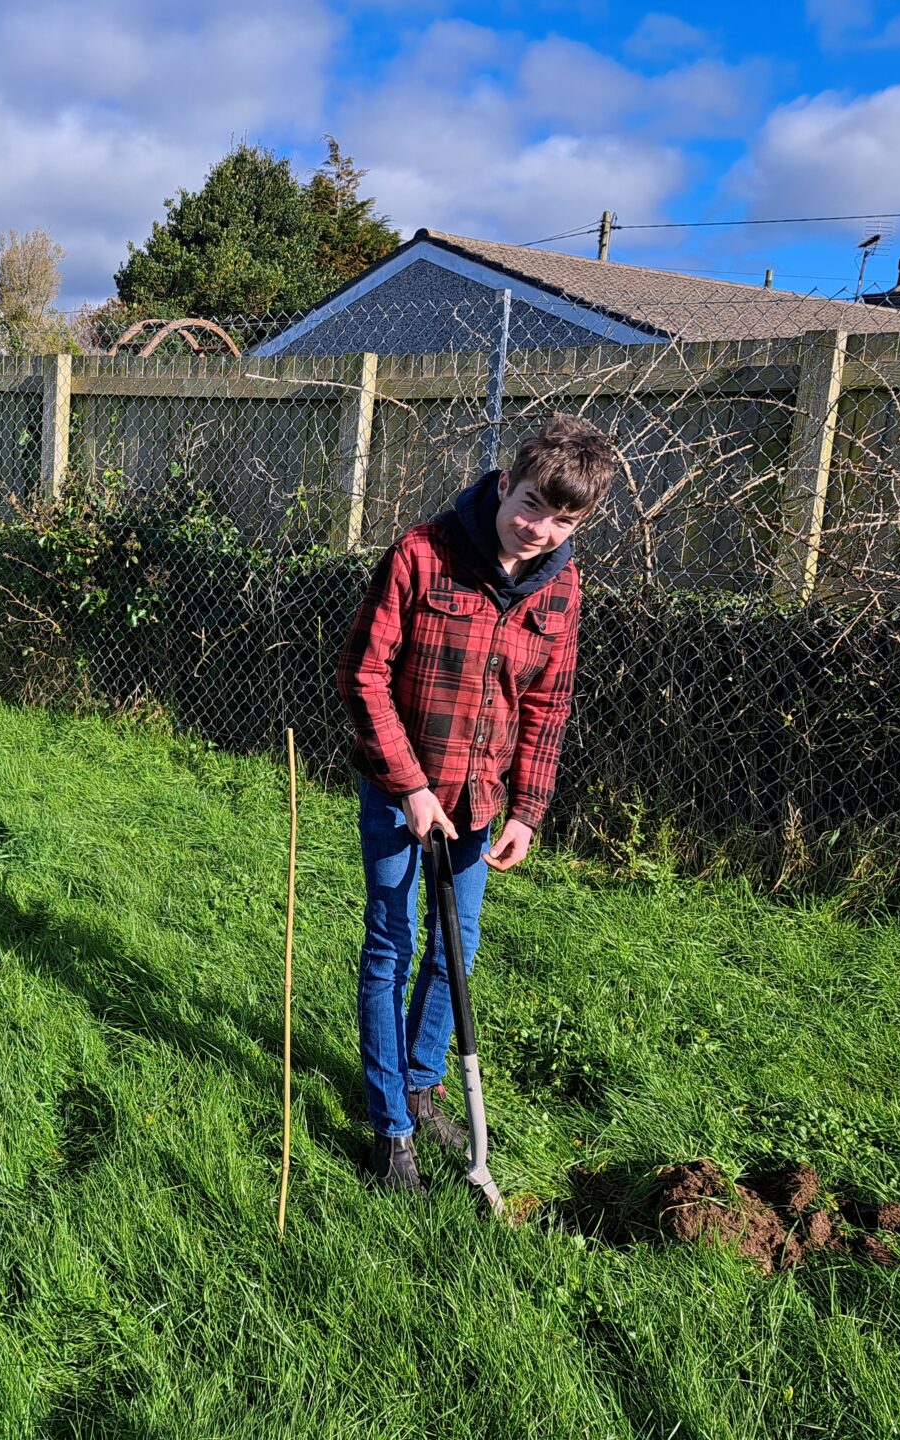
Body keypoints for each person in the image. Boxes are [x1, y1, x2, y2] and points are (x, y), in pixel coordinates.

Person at [336, 414, 620, 1194]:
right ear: (504, 485)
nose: (541, 529)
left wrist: (527, 810)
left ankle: (424, 1084)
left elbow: (548, 706)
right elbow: (364, 675)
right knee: (391, 947)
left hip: (483, 797)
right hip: (402, 791)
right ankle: (391, 1127)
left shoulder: (561, 584)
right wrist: (412, 787)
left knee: (456, 943)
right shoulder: (421, 555)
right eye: (532, 505)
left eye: (565, 520)